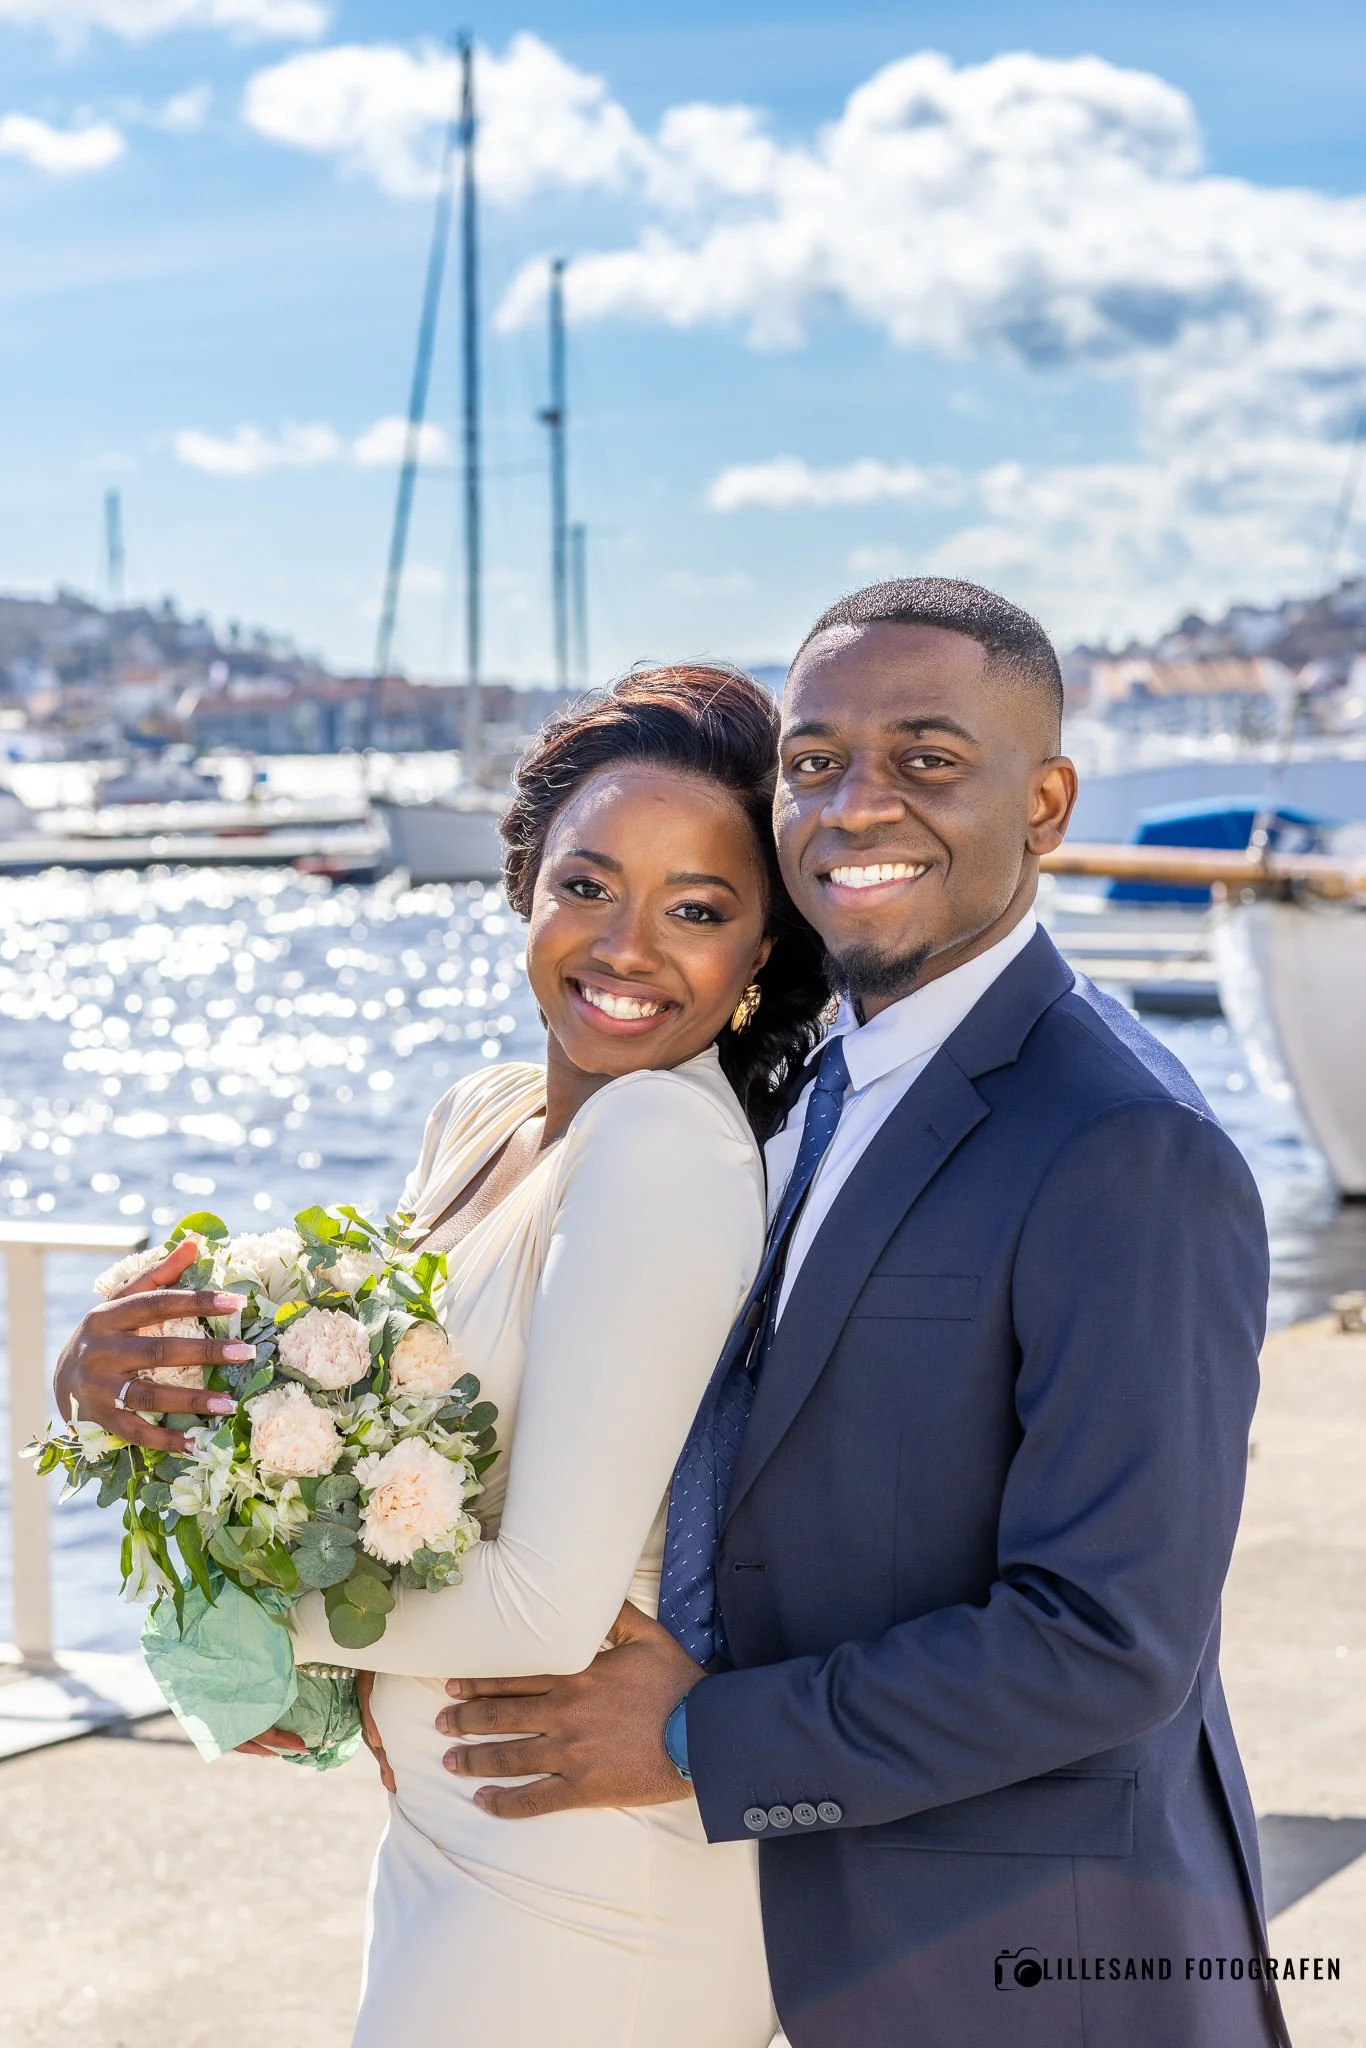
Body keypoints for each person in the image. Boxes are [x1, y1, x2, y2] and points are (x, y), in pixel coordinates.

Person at [433, 580, 1290, 2048]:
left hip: (1041, 1967)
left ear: (1046, 803)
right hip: (790, 1935)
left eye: (926, 759)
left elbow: (1109, 1640)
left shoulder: (1125, 1146)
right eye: (815, 761)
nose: (855, 805)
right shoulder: (792, 1086)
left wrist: (699, 1736)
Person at [53, 665, 829, 2048]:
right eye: (587, 885)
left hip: (583, 1884)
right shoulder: (483, 1116)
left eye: (698, 910)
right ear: (525, 883)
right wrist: (136, 1385)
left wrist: (225, 1621)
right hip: (458, 1834)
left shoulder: (661, 1147)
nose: (628, 947)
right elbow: (361, 1427)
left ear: (761, 950)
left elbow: (538, 1611)